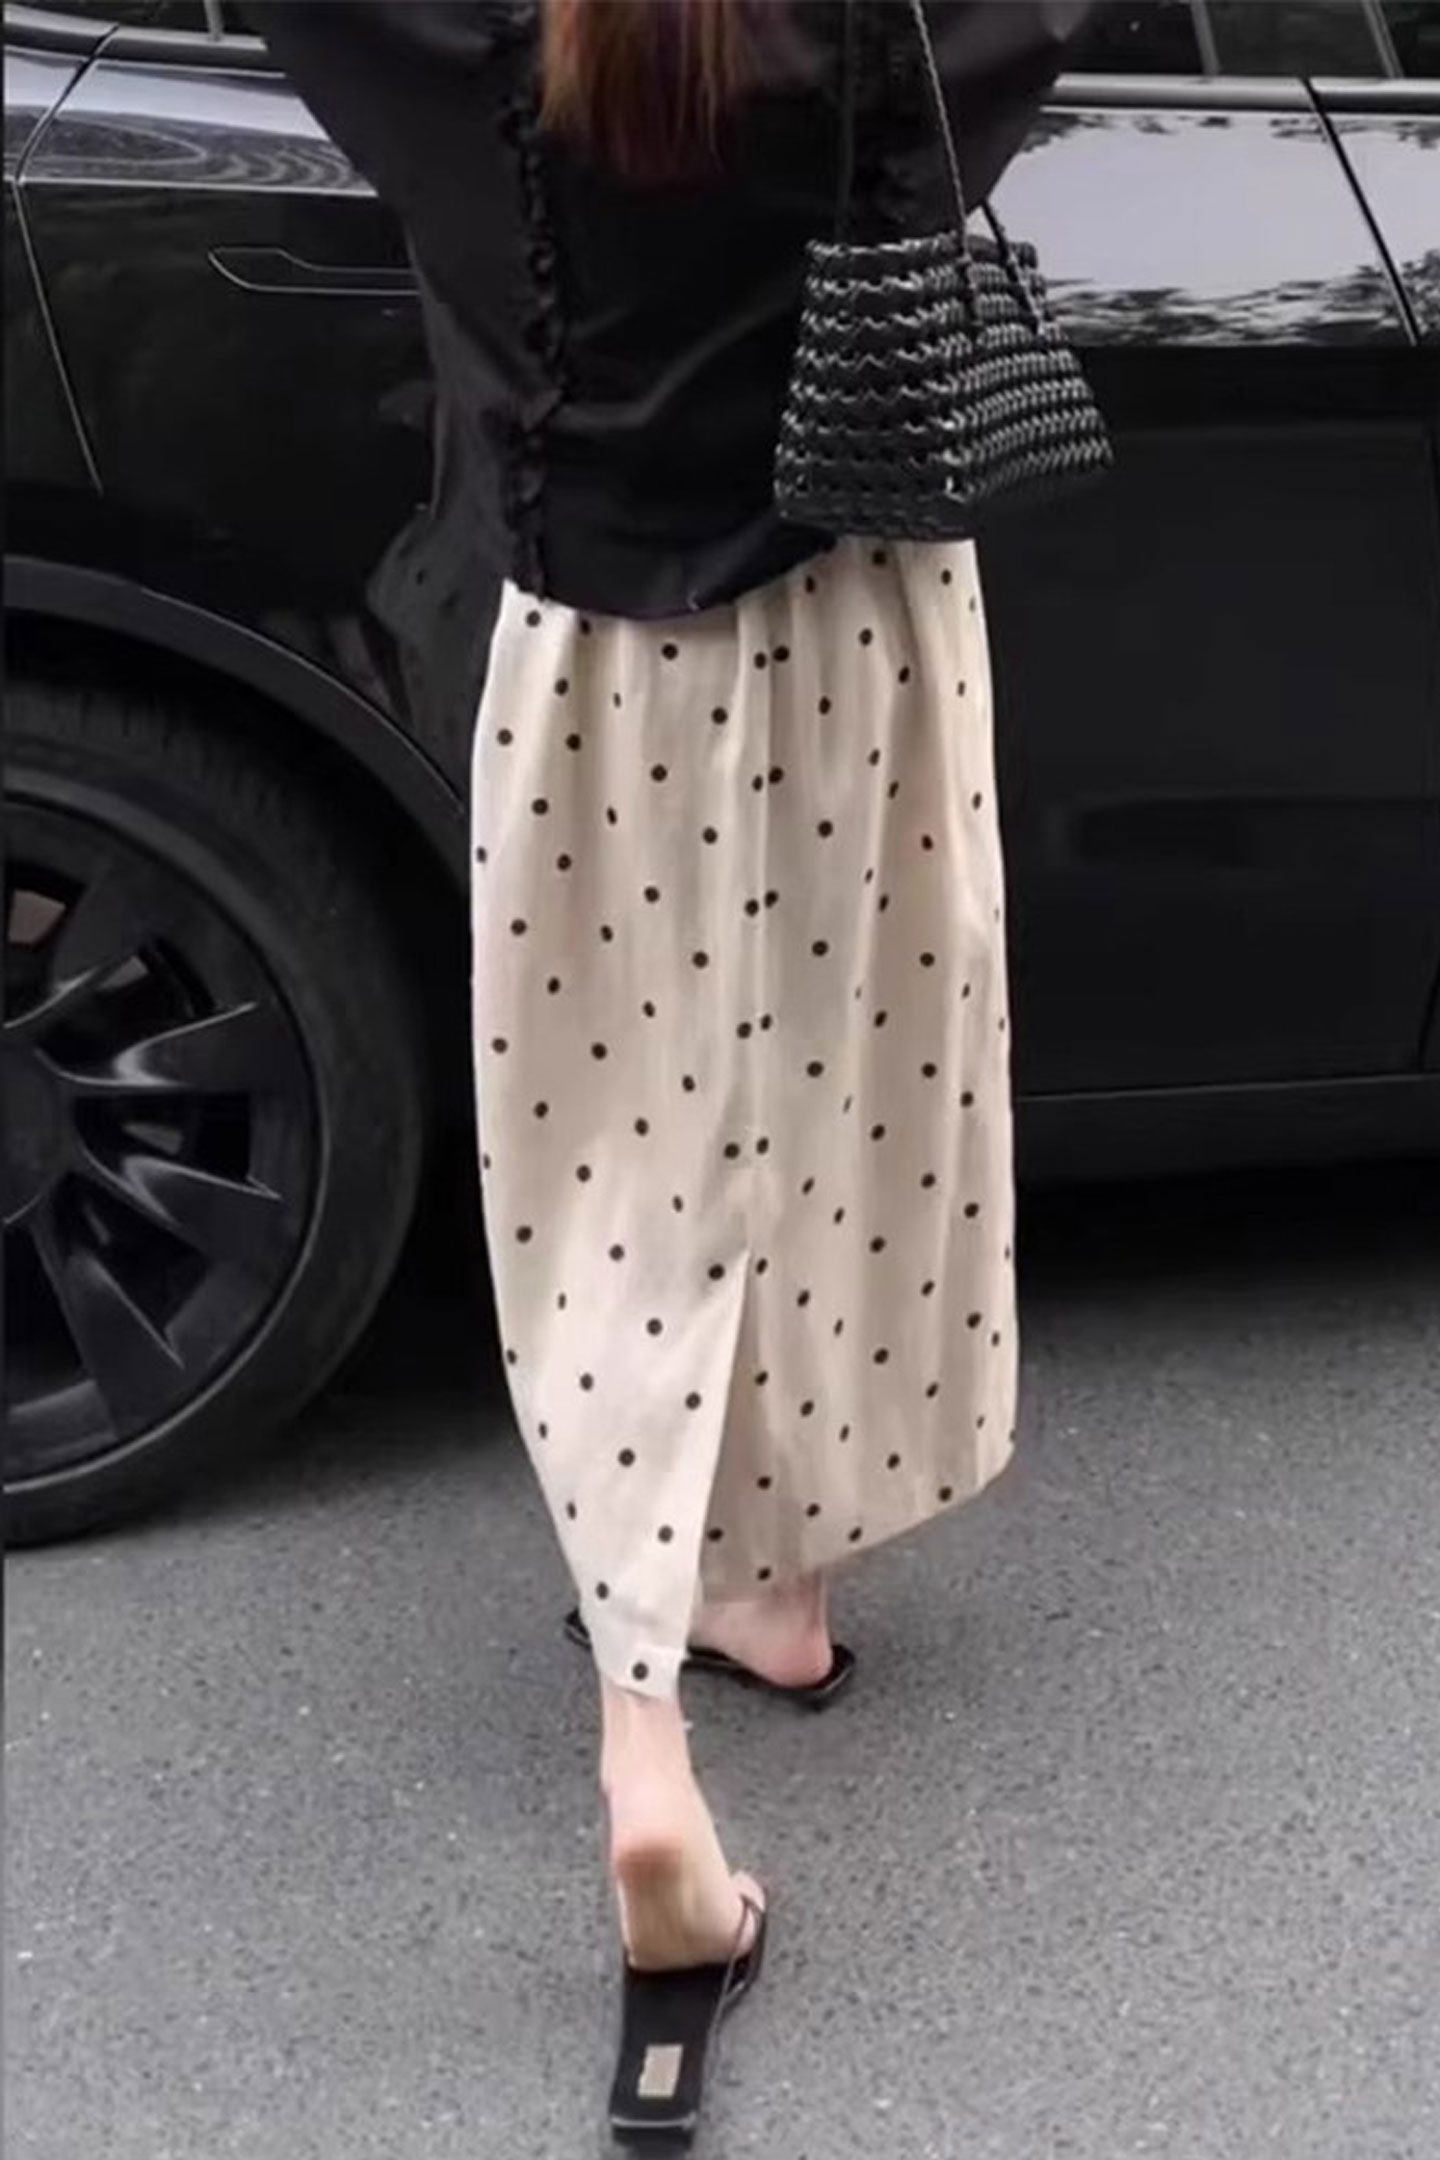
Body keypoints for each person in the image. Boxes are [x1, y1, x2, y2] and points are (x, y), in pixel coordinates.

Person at [250, 0, 1093, 2140]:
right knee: (842, 1119)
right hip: (867, 629)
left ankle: (680, 1696)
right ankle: (760, 1610)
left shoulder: (465, 35)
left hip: (600, 674)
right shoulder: (880, 27)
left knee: (619, 1190)